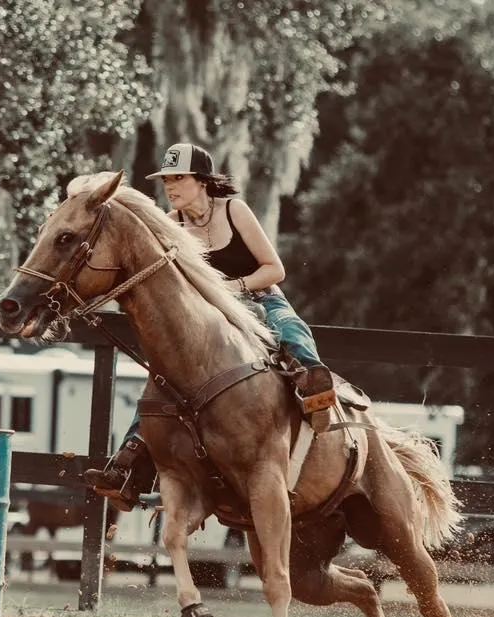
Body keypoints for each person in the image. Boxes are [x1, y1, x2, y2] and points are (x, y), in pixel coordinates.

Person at [82, 142, 338, 509]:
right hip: (211, 317)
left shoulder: (235, 211)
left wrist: (232, 288)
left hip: (260, 298)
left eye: (178, 178)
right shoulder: (170, 226)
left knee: (292, 331)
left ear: (202, 181)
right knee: (164, 378)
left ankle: (316, 395)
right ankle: (127, 465)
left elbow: (274, 269)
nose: (170, 187)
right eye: (166, 180)